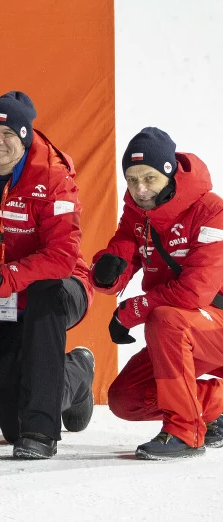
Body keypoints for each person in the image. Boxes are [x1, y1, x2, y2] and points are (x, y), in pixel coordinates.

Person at [0, 91, 96, 459]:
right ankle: (76, 373)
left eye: (7, 134)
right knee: (13, 422)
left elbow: (62, 257)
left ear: (26, 137)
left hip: (62, 285)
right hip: (4, 298)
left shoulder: (53, 175)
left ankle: (41, 433)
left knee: (46, 293)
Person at [96, 128, 223, 459]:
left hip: (210, 320)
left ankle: (184, 432)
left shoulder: (212, 210)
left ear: (170, 173)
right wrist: (106, 273)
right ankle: (216, 404)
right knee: (126, 398)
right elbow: (123, 250)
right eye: (132, 179)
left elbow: (195, 292)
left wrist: (130, 312)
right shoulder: (137, 212)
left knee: (165, 319)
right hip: (187, 325)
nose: (140, 189)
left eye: (149, 178)